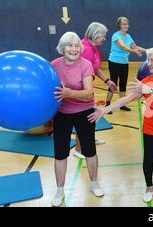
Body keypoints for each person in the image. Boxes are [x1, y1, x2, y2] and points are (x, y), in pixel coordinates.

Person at [88, 46, 153, 203]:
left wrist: (145, 88)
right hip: (151, 127)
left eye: (152, 60)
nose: (148, 63)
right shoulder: (146, 82)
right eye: (148, 59)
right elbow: (127, 98)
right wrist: (106, 109)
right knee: (148, 158)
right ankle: (149, 188)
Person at [50, 32, 104, 207]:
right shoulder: (54, 65)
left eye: (76, 46)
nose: (73, 49)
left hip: (84, 112)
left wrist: (69, 93)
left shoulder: (86, 65)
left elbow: (89, 92)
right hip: (61, 114)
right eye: (69, 45)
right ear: (62, 47)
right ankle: (59, 191)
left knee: (89, 150)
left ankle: (94, 183)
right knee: (60, 154)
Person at [72, 22, 117, 159]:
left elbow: (95, 68)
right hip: (82, 90)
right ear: (95, 35)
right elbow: (79, 72)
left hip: (88, 88)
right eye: (103, 36)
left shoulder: (93, 47)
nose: (104, 38)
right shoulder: (85, 48)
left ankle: (90, 140)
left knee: (90, 117)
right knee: (82, 119)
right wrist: (84, 92)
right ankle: (78, 149)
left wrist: (107, 81)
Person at [107, 17, 147, 113]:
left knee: (123, 83)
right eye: (124, 24)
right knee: (113, 83)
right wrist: (134, 52)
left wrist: (148, 51)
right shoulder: (116, 35)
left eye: (127, 24)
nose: (126, 25)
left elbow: (135, 46)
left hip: (124, 63)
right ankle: (108, 105)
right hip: (114, 62)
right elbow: (123, 46)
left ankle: (122, 104)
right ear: (119, 25)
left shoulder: (128, 36)